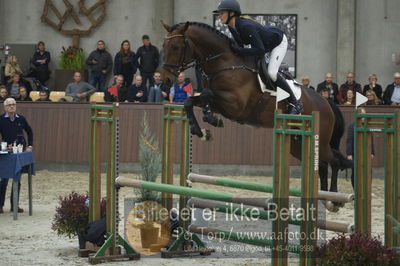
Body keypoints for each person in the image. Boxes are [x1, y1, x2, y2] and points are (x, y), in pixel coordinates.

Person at [214, 0, 302, 114]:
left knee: (272, 73)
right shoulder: (232, 27)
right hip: (265, 44)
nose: (219, 16)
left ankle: (295, 103)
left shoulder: (245, 26)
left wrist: (240, 51)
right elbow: (241, 47)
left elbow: (259, 51)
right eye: (219, 13)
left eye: (222, 13)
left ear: (231, 13)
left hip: (278, 42)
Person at [0, 98, 33, 213]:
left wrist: (30, 146)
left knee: (17, 179)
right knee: (4, 180)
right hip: (6, 154)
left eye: (13, 104)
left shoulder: (21, 118)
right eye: (9, 105)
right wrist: (3, 145)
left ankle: (15, 205)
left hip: (19, 152)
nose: (12, 106)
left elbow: (30, 132)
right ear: (5, 107)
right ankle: (0, 205)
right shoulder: (1, 119)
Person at [346, 108, 374, 189]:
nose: (363, 116)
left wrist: (372, 152)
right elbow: (349, 140)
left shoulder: (368, 125)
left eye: (364, 114)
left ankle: (366, 189)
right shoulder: (352, 126)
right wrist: (349, 153)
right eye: (361, 114)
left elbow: (371, 140)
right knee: (355, 173)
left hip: (366, 152)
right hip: (355, 153)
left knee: (368, 172)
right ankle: (356, 191)